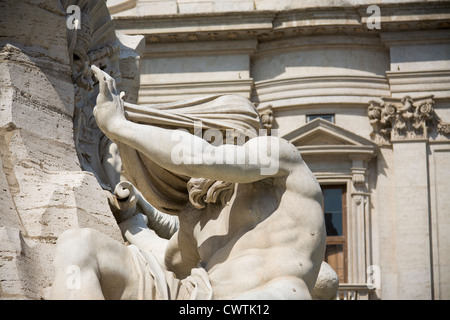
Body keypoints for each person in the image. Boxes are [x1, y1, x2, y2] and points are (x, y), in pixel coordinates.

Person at [50, 65, 326, 300]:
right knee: (78, 244)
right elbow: (167, 258)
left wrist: (120, 127)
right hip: (198, 296)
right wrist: (131, 218)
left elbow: (201, 157)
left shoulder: (279, 163)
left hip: (270, 296)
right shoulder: (197, 215)